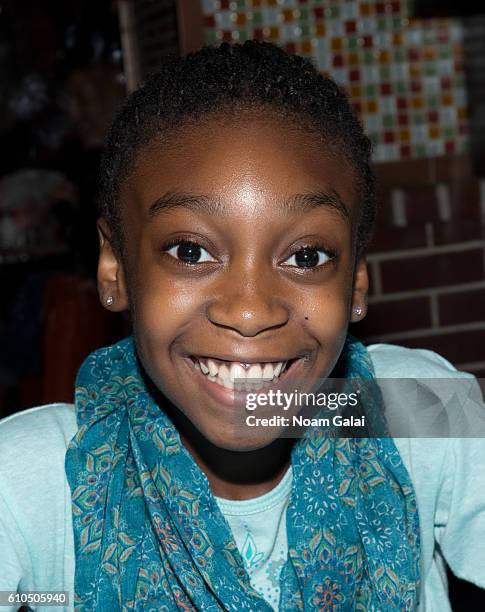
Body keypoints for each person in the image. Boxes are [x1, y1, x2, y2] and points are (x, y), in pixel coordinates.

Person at [0, 40, 484, 612]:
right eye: (189, 251)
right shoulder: (29, 481)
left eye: (306, 257)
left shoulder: (416, 407)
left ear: (354, 283)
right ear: (116, 267)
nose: (251, 312)